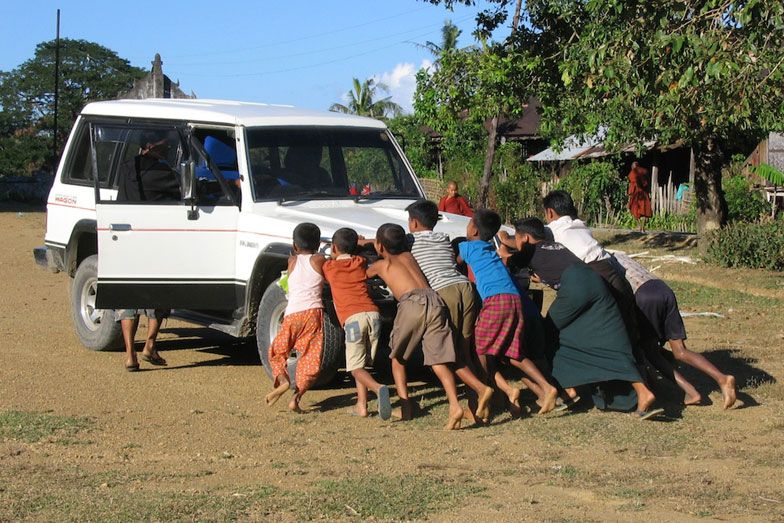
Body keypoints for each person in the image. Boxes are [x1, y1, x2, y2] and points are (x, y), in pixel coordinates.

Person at [510, 217, 664, 420]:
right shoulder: (554, 246)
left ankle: (568, 389)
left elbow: (506, 245)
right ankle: (644, 392)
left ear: (526, 238)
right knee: (611, 340)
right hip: (594, 280)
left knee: (548, 333)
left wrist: (505, 239)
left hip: (574, 285)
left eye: (518, 237)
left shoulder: (529, 249)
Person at [457, 209, 559, 417]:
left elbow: (456, 262)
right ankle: (547, 388)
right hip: (515, 299)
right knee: (512, 353)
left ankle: (483, 399)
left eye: (469, 224)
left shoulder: (467, 247)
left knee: (480, 350)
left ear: (474, 229)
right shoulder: (488, 248)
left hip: (496, 301)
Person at [366, 223, 465, 430]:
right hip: (435, 300)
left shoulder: (382, 266)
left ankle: (406, 407)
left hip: (412, 303)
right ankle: (455, 405)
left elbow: (364, 274)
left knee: (398, 359)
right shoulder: (409, 257)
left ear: (379, 245)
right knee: (438, 359)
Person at [405, 200, 494, 424]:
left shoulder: (410, 240)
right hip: (465, 288)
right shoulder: (442, 237)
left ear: (413, 223)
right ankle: (479, 407)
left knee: (449, 354)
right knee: (465, 352)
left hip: (445, 292)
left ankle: (481, 390)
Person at [611, 251, 738, 409]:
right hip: (663, 289)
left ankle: (689, 391)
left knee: (649, 352)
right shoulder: (619, 254)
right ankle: (721, 379)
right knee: (680, 351)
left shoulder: (603, 260)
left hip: (644, 295)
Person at [115, 129, 181, 371]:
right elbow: (181, 191)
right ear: (151, 145)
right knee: (160, 295)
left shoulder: (125, 167)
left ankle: (131, 355)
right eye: (164, 144)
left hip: (127, 240)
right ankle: (150, 344)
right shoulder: (162, 172)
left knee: (128, 300)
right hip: (154, 240)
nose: (167, 148)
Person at [322, 228, 392, 419]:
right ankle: (361, 406)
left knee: (354, 367)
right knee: (362, 364)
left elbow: (325, 264)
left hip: (353, 319)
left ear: (334, 247)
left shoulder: (329, 267)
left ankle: (378, 389)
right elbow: (360, 251)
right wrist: (360, 243)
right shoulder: (360, 262)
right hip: (374, 316)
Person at [265, 223, 326, 413]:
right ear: (317, 244)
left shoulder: (291, 261)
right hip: (312, 314)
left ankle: (283, 381)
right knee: (310, 358)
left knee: (278, 351)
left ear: (294, 246)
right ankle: (296, 398)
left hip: (291, 314)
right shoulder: (319, 260)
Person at [116, 130, 181, 202]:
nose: (169, 146)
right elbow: (183, 193)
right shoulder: (160, 171)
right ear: (150, 145)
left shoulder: (126, 166)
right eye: (166, 143)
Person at [628, 161, 652, 232]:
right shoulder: (644, 171)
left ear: (633, 167)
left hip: (636, 194)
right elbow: (647, 182)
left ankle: (639, 226)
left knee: (634, 209)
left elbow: (632, 185)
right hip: (644, 193)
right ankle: (643, 227)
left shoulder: (633, 173)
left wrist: (630, 194)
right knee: (645, 210)